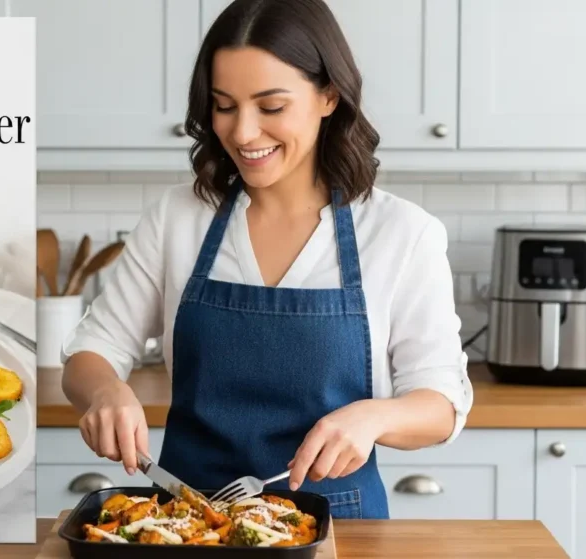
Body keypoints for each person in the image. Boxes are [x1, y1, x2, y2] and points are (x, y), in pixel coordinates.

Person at [59, 0, 472, 520]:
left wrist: (374, 418)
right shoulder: (178, 218)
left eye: (271, 107)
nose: (243, 133)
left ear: (329, 96)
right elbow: (89, 353)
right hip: (185, 528)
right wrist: (105, 392)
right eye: (224, 106)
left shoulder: (401, 233)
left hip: (340, 530)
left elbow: (441, 403)